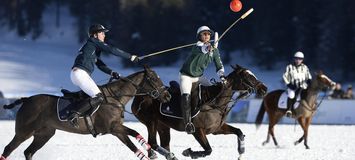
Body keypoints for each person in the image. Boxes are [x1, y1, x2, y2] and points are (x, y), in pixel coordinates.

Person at [67, 24, 139, 128]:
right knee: (98, 96)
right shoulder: (93, 41)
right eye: (102, 33)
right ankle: (73, 115)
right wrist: (130, 57)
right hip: (80, 73)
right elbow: (112, 50)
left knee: (93, 96)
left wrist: (111, 72)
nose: (104, 35)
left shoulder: (92, 46)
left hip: (78, 74)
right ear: (95, 35)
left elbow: (99, 64)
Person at [179, 26, 226, 134]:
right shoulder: (197, 46)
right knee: (186, 96)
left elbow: (219, 65)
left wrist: (222, 76)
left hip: (198, 77)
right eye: (204, 34)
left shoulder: (214, 50)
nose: (206, 36)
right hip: (186, 76)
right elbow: (203, 49)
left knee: (214, 91)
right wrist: (209, 48)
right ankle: (188, 123)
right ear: (199, 36)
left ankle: (213, 117)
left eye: (208, 34)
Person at [282, 51, 312, 117]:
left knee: (308, 95)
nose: (298, 60)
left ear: (302, 60)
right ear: (294, 59)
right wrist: (289, 84)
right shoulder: (289, 67)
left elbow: (309, 76)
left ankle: (309, 109)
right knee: (291, 95)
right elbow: (284, 76)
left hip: (303, 86)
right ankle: (289, 110)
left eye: (300, 59)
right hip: (292, 87)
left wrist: (309, 81)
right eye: (296, 58)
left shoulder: (305, 67)